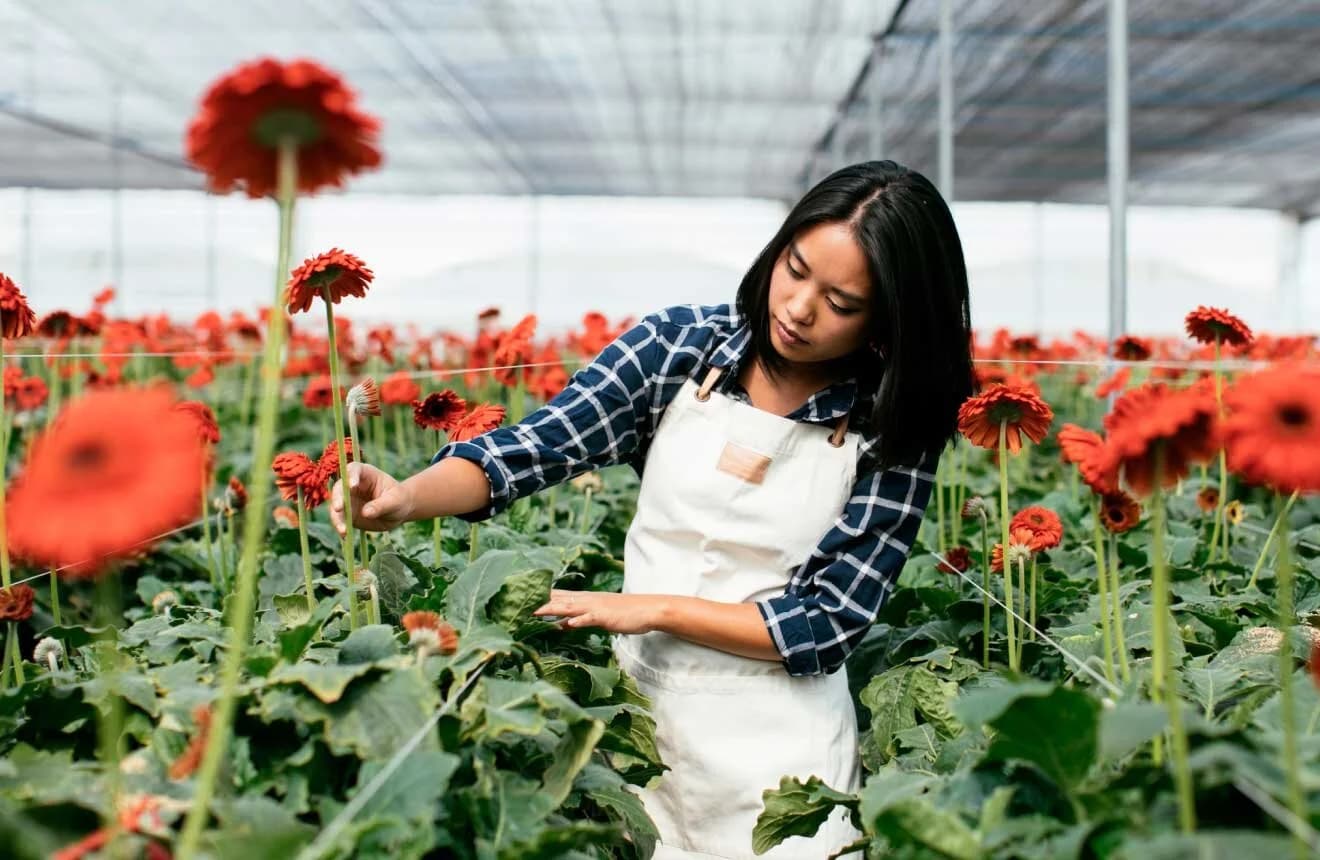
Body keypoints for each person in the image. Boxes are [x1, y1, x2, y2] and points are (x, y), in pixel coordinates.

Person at [330, 160, 975, 858]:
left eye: (842, 303)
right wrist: (405, 498)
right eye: (794, 269)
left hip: (786, 765)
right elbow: (535, 448)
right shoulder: (680, 346)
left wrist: (652, 609)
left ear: (890, 319)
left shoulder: (892, 422)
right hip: (639, 734)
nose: (797, 309)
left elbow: (827, 622)